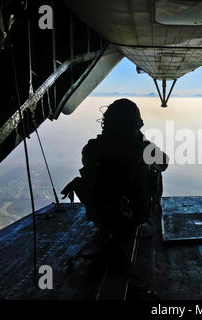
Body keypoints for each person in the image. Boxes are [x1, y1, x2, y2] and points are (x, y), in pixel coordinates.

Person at [61, 98, 168, 252]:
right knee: (155, 171)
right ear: (136, 123)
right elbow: (163, 164)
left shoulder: (92, 148)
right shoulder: (145, 149)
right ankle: (151, 209)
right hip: (137, 214)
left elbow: (89, 169)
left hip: (101, 215)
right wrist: (142, 141)